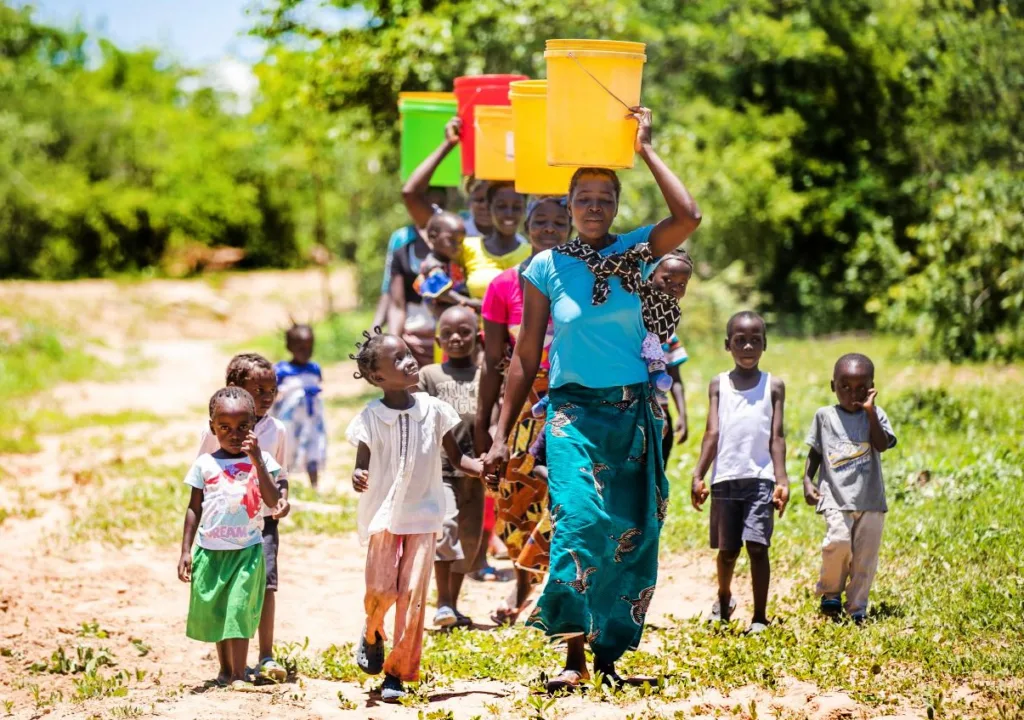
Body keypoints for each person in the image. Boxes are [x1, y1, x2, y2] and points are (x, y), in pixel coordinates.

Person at [482, 106, 702, 692]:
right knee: (580, 523)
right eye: (584, 199)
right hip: (572, 415)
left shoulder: (637, 251)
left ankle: (608, 657)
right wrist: (501, 433)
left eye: (605, 198)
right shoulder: (545, 267)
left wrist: (646, 147)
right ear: (570, 205)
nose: (595, 207)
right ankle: (573, 656)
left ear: (617, 205)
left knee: (631, 534)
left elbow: (689, 215)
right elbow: (525, 354)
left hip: (632, 415)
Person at [345, 331, 484, 703]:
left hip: (423, 516)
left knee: (413, 597)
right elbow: (361, 465)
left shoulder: (434, 410)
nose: (409, 361)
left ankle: (397, 672)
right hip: (384, 515)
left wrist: (482, 468)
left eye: (408, 353)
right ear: (378, 377)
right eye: (398, 359)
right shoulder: (371, 416)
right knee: (379, 589)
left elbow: (458, 459)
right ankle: (373, 632)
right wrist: (359, 475)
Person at [475, 196, 571, 625]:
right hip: (523, 406)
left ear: (570, 228)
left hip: (574, 398)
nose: (549, 228)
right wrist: (487, 425)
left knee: (565, 494)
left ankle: (555, 590)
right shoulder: (503, 286)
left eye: (559, 222)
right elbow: (493, 361)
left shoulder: (581, 279)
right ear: (527, 226)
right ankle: (521, 580)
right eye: (541, 220)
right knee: (516, 494)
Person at [690, 311, 790, 634]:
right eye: (740, 341)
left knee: (758, 547)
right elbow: (712, 432)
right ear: (727, 345)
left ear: (765, 344)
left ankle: (759, 617)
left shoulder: (774, 386)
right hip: (725, 480)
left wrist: (782, 479)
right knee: (728, 551)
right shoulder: (718, 384)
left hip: (761, 479)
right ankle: (724, 598)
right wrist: (698, 474)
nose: (748, 347)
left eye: (755, 341)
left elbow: (777, 437)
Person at [178, 387, 282, 688]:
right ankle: (225, 671)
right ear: (213, 428)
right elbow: (194, 508)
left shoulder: (262, 461)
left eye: (242, 427)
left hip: (247, 551)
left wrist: (257, 460)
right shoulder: (204, 464)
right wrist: (185, 550)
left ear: (254, 426)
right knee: (218, 611)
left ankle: (239, 674)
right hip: (210, 551)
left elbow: (272, 499)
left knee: (238, 609)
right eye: (225, 427)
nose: (234, 434)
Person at [196, 354, 290, 683]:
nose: (267, 396)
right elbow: (203, 475)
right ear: (236, 389)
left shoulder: (276, 430)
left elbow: (281, 475)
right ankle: (233, 666)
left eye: (272, 389)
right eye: (258, 389)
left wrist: (283, 499)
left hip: (263, 522)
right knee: (229, 588)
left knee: (265, 585)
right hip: (225, 527)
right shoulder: (215, 428)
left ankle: (266, 655)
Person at [803, 353, 897, 624]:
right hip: (835, 496)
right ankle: (831, 592)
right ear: (833, 385)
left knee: (865, 558)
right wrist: (807, 480)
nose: (852, 394)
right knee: (838, 543)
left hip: (871, 500)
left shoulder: (876, 415)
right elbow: (815, 452)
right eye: (845, 387)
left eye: (860, 388)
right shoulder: (825, 416)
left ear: (871, 388)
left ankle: (857, 608)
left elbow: (881, 444)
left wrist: (870, 412)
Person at [416, 306, 484, 628]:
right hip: (440, 469)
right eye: (447, 333)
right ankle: (442, 601)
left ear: (478, 337)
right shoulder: (429, 375)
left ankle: (453, 606)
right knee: (446, 528)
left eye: (464, 332)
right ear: (438, 340)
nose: (456, 338)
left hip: (476, 471)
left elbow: (493, 415)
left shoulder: (485, 376)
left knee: (468, 540)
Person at [373, 187, 450, 330]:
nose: (435, 211)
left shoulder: (454, 242)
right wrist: (374, 331)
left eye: (441, 205)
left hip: (445, 332)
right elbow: (391, 296)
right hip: (412, 330)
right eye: (429, 205)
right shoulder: (402, 239)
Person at [650, 251, 693, 464]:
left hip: (662, 416)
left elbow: (675, 377)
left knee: (657, 472)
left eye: (681, 284)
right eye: (667, 280)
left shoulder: (669, 335)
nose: (674, 287)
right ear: (651, 275)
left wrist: (683, 415)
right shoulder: (633, 325)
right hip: (632, 411)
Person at [272, 324, 326, 490]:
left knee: (313, 448)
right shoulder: (282, 371)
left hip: (312, 419)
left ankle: (314, 486)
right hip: (290, 420)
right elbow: (274, 394)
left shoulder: (314, 369)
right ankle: (280, 484)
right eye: (301, 348)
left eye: (309, 347)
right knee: (287, 449)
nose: (306, 352)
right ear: (290, 347)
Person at [413, 211, 477, 313]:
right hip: (446, 314)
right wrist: (472, 303)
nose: (458, 247)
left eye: (460, 242)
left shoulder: (448, 261)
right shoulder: (432, 267)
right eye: (451, 240)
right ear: (433, 237)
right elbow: (445, 294)